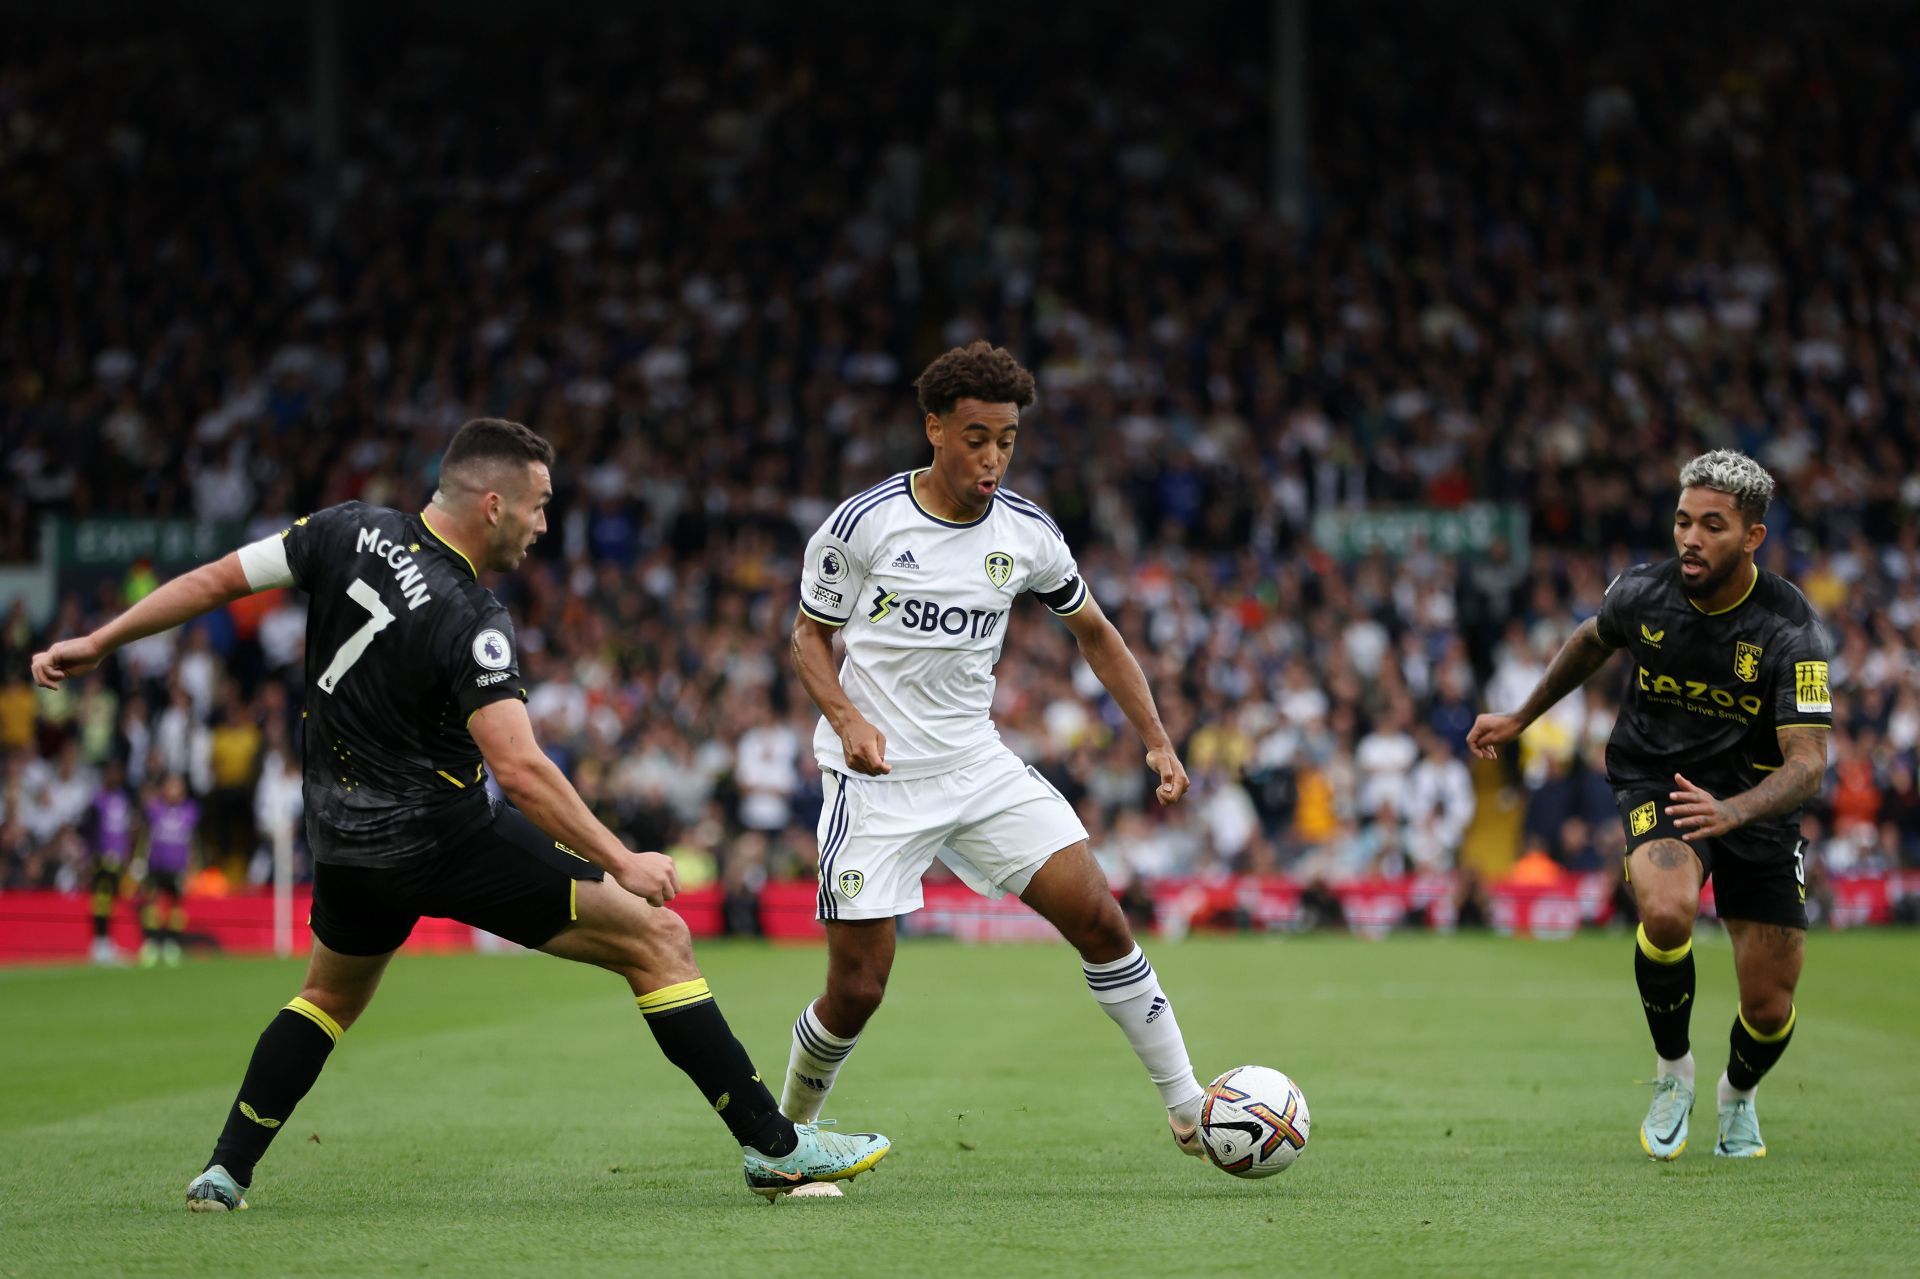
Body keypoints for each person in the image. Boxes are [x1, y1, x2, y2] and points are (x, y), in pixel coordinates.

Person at [32, 418, 888, 1210]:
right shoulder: (470, 615)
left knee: (326, 995)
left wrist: (101, 641)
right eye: (540, 507)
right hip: (442, 836)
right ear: (493, 503)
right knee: (657, 939)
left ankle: (226, 1166)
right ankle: (773, 1145)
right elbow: (518, 767)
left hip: (340, 839)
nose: (544, 527)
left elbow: (219, 578)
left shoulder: (342, 528)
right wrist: (622, 859)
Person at [785, 342, 1207, 1175]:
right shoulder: (864, 524)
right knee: (859, 989)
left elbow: (1096, 633)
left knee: (1098, 915)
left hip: (978, 767)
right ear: (933, 427)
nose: (993, 457)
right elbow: (808, 636)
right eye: (976, 437)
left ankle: (1191, 1105)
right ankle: (785, 1135)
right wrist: (847, 718)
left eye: (1007, 439)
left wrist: (1156, 736)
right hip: (873, 779)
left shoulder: (1029, 533)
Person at [1469, 450, 1831, 1161]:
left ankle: (1737, 1095)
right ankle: (1674, 1073)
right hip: (1657, 779)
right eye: (1682, 520)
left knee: (1769, 1006)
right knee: (1666, 910)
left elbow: (1809, 765)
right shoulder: (1643, 593)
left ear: (1753, 536)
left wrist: (1733, 811)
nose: (1690, 538)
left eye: (1713, 526)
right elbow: (1590, 639)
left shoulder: (1791, 630)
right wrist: (1521, 716)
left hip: (1755, 806)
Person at [139, 773, 199, 967]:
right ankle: (153, 941)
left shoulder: (190, 811)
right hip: (156, 864)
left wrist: (192, 865)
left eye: (177, 786)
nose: (174, 790)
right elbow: (145, 836)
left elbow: (192, 841)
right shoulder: (154, 810)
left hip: (178, 866)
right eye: (170, 786)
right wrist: (139, 860)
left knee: (176, 905)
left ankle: (172, 942)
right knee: (152, 902)